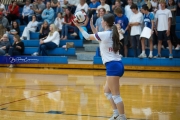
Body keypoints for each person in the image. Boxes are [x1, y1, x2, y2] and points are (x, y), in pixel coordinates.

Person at [73, 13, 126, 120]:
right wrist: (92, 26)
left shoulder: (106, 34)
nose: (100, 22)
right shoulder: (112, 33)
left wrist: (79, 26)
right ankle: (116, 113)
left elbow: (88, 37)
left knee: (116, 95)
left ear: (105, 23)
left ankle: (122, 117)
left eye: (102, 20)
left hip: (113, 66)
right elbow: (98, 37)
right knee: (107, 91)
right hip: (117, 64)